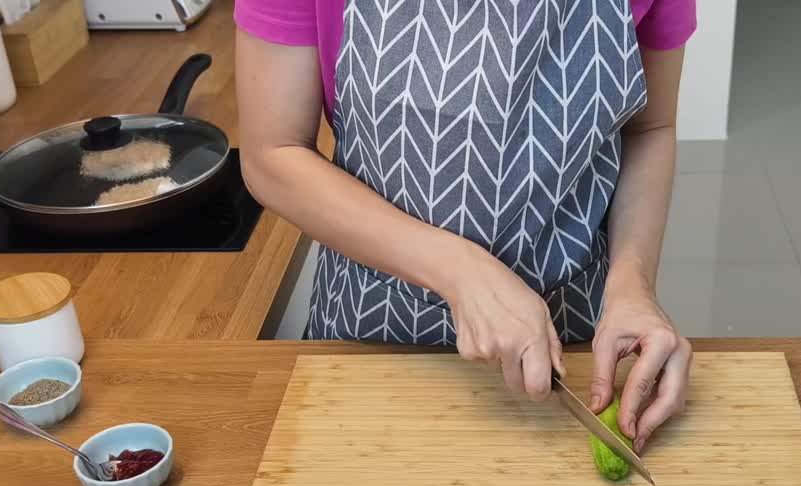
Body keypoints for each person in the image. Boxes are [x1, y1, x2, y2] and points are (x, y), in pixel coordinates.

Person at [235, 0, 695, 451]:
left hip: (572, 341)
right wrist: (459, 271)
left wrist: (633, 285)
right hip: (372, 334)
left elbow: (648, 129)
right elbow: (272, 154)